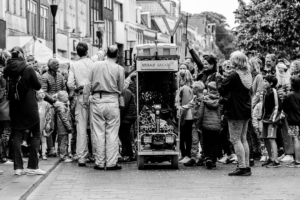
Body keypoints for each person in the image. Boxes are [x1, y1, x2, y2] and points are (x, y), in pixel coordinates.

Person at [4, 47, 45, 175]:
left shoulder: (7, 69)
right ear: (22, 55)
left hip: (15, 105)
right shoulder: (28, 68)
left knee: (16, 136)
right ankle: (32, 166)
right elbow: (38, 86)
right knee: (36, 134)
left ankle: (18, 168)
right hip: (29, 104)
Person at [84, 45, 125, 170]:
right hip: (112, 100)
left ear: (106, 53)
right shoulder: (119, 68)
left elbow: (88, 84)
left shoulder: (95, 65)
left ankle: (100, 162)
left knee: (98, 132)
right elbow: (121, 88)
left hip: (97, 99)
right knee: (112, 133)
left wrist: (86, 100)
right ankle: (111, 162)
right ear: (117, 55)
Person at [216, 51, 252, 176]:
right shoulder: (247, 74)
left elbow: (222, 89)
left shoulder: (234, 75)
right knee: (243, 139)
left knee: (235, 139)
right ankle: (246, 166)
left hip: (235, 110)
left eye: (231, 59)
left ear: (235, 61)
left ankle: (241, 167)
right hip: (245, 109)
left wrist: (220, 79)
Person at [67, 42, 95, 167]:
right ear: (87, 51)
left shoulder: (74, 65)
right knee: (96, 128)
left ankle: (82, 157)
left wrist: (77, 88)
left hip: (81, 96)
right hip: (93, 96)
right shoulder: (93, 64)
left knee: (81, 128)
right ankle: (97, 155)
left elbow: (70, 84)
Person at [42, 58, 66, 157]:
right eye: (56, 64)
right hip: (49, 105)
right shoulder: (44, 77)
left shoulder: (60, 76)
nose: (58, 65)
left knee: (59, 127)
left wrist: (61, 96)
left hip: (59, 104)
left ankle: (60, 149)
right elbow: (44, 92)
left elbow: (64, 88)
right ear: (51, 66)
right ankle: (50, 148)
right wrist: (53, 99)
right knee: (50, 126)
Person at [181, 81, 205, 166]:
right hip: (195, 122)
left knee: (202, 141)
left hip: (202, 123)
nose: (192, 89)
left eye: (193, 88)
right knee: (194, 140)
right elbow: (189, 105)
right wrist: (180, 107)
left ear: (196, 89)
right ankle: (194, 157)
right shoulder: (195, 98)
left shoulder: (204, 99)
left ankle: (203, 157)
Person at [198, 81, 222, 169]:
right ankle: (214, 160)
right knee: (215, 142)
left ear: (209, 89)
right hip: (216, 125)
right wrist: (221, 124)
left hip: (205, 124)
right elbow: (221, 112)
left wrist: (199, 124)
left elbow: (200, 113)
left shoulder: (205, 99)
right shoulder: (220, 99)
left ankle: (207, 157)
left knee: (206, 142)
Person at [261, 75, 281, 168]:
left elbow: (277, 105)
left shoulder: (273, 91)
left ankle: (276, 160)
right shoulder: (265, 92)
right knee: (265, 138)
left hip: (271, 119)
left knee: (271, 138)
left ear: (271, 83)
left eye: (265, 81)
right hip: (265, 118)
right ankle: (271, 158)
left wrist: (273, 118)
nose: (263, 83)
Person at [176, 69, 194, 164]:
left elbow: (185, 105)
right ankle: (185, 154)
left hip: (186, 116)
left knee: (185, 136)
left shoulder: (185, 88)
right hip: (186, 115)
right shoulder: (187, 88)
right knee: (185, 136)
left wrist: (181, 118)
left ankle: (186, 154)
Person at [118, 73, 137, 162]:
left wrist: (119, 117)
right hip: (129, 116)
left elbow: (123, 106)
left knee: (124, 135)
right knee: (124, 135)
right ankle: (126, 153)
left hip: (127, 117)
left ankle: (129, 154)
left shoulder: (125, 92)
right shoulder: (127, 91)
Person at [282, 75, 300, 167]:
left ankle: (297, 160)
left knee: (295, 139)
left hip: (294, 120)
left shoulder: (289, 95)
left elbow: (284, 108)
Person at [54, 91, 73, 162]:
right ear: (62, 98)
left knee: (62, 141)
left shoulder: (62, 105)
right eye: (66, 96)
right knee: (63, 142)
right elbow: (64, 118)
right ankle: (63, 156)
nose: (68, 97)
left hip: (62, 128)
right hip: (62, 128)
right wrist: (69, 127)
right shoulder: (61, 107)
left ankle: (62, 154)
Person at [36, 89, 53, 160]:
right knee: (36, 140)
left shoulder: (46, 104)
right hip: (36, 125)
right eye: (40, 93)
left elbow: (49, 114)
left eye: (43, 93)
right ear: (37, 95)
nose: (42, 94)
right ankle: (36, 153)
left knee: (44, 140)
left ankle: (44, 153)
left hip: (43, 124)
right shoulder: (35, 103)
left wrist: (48, 123)